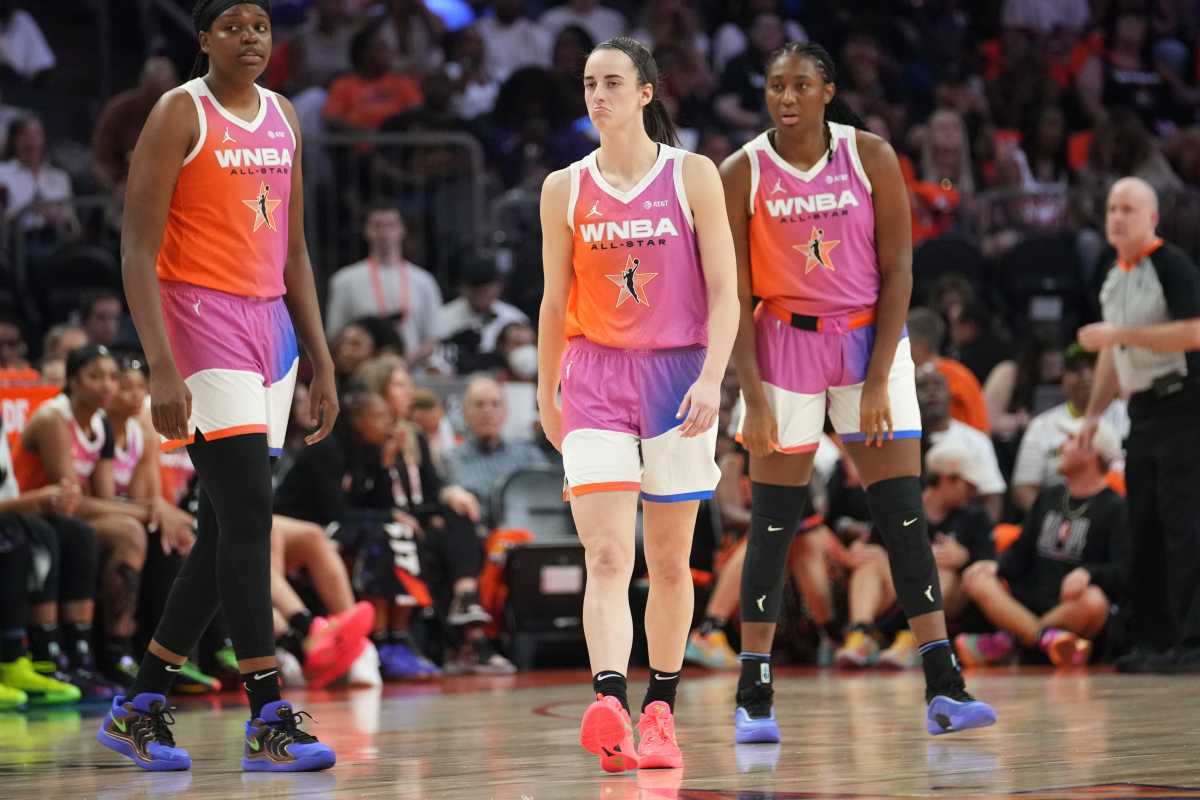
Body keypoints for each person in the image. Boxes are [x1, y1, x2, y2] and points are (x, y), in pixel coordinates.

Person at [720, 42, 996, 745]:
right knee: (775, 521)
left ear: (828, 90)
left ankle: (944, 684)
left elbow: (900, 273)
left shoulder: (870, 155)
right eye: (775, 85)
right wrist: (749, 394)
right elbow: (735, 295)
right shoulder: (742, 170)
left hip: (870, 344)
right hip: (782, 342)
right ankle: (753, 693)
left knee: (903, 516)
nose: (786, 97)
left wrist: (876, 379)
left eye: (801, 84)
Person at [99, 0, 339, 772]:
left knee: (228, 526)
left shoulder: (285, 116)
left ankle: (140, 703)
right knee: (251, 515)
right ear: (204, 39)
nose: (250, 39)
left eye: (261, 27)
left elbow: (294, 249)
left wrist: (321, 356)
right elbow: (136, 248)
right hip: (197, 320)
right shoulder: (179, 113)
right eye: (232, 27)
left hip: (271, 333)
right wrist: (161, 364)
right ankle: (268, 712)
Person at [537, 36, 738, 772]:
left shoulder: (693, 175)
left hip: (678, 376)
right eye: (590, 83)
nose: (599, 96)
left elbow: (725, 290)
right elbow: (554, 298)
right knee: (607, 552)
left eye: (614, 82)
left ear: (647, 92)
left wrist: (714, 377)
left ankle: (661, 710)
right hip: (593, 375)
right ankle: (611, 704)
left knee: (670, 560)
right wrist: (543, 387)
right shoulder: (564, 186)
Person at [1075, 176, 1200, 674]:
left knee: (1183, 527)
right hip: (1143, 412)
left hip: (1184, 408)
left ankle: (1194, 641)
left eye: (1128, 208)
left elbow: (1194, 331)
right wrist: (1092, 414)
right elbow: (1113, 352)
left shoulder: (1172, 265)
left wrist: (1120, 333)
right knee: (1143, 524)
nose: (1118, 217)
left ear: (1152, 217)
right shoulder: (1112, 273)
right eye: (1111, 208)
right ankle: (1154, 640)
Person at [957, 423, 1127, 669]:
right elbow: (1020, 554)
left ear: (1093, 452)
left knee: (1094, 601)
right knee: (977, 578)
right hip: (1030, 599)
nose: (1061, 447)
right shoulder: (1050, 496)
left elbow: (1124, 571)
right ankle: (1041, 638)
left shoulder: (1116, 507)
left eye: (1071, 440)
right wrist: (993, 566)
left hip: (1071, 607)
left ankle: (1012, 640)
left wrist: (1088, 573)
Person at [835, 440, 995, 670]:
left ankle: (917, 639)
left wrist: (965, 557)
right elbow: (871, 546)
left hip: (948, 598)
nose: (973, 491)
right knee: (869, 565)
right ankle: (861, 635)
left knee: (943, 571)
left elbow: (990, 563)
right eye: (967, 484)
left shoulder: (975, 516)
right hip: (900, 589)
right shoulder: (901, 510)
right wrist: (863, 553)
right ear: (946, 479)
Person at [1010, 346, 1128, 513]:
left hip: (1122, 514)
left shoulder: (1133, 416)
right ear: (1063, 379)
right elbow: (1024, 489)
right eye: (1075, 370)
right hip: (1060, 517)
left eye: (1093, 367)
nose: (1086, 376)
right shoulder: (1042, 425)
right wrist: (1049, 522)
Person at [323, 205, 444, 366]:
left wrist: (403, 361)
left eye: (391, 225)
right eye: (377, 226)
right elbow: (335, 336)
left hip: (412, 373)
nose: (384, 233)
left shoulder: (424, 281)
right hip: (362, 375)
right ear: (366, 231)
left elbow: (434, 337)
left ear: (402, 229)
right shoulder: (344, 281)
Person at [445, 375, 548, 527]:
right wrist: (449, 494)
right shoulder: (452, 459)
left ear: (505, 412)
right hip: (478, 538)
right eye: (479, 405)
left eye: (495, 404)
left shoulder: (529, 455)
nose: (487, 411)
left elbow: (549, 498)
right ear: (465, 413)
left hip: (528, 536)